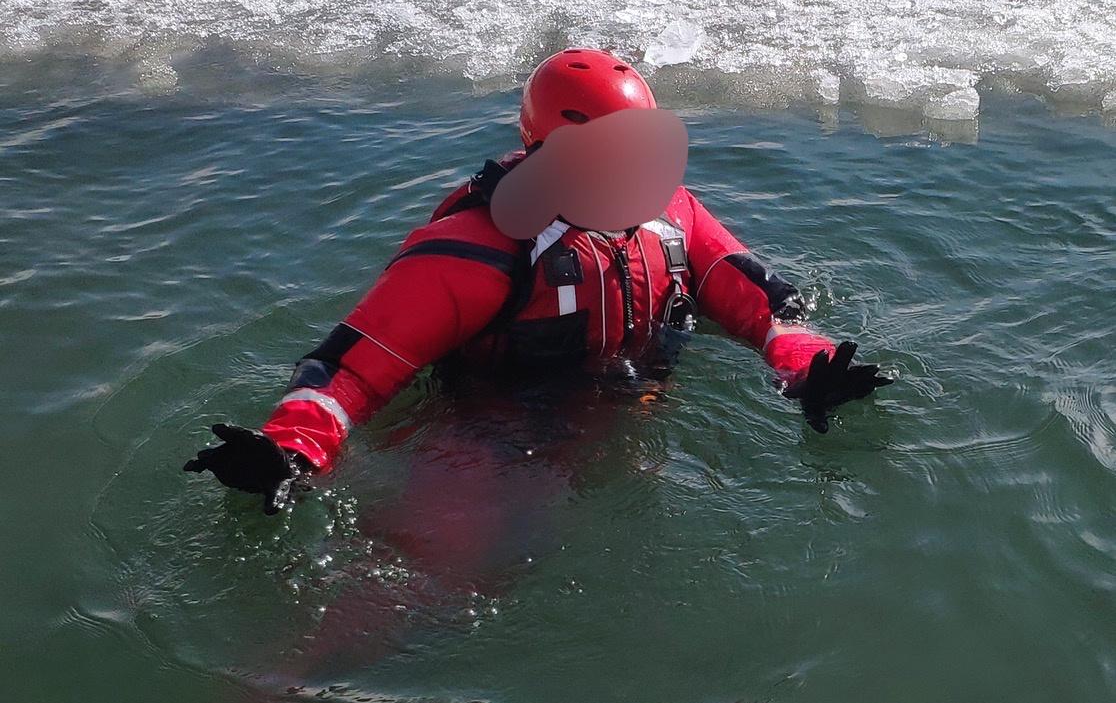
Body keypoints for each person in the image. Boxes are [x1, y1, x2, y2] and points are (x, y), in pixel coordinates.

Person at [185, 50, 892, 516]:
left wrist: (810, 368)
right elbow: (353, 369)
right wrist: (292, 450)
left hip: (634, 438)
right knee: (419, 596)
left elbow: (764, 305)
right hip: (493, 440)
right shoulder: (475, 249)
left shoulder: (671, 217)